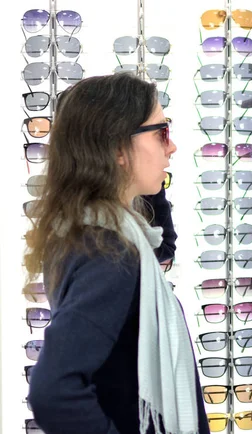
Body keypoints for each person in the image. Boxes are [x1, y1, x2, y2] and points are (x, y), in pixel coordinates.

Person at [24, 73, 210, 434]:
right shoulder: (108, 252)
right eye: (162, 132)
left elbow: (162, 244)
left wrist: (139, 175)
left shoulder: (93, 231)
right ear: (117, 148)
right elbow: (54, 391)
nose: (171, 147)